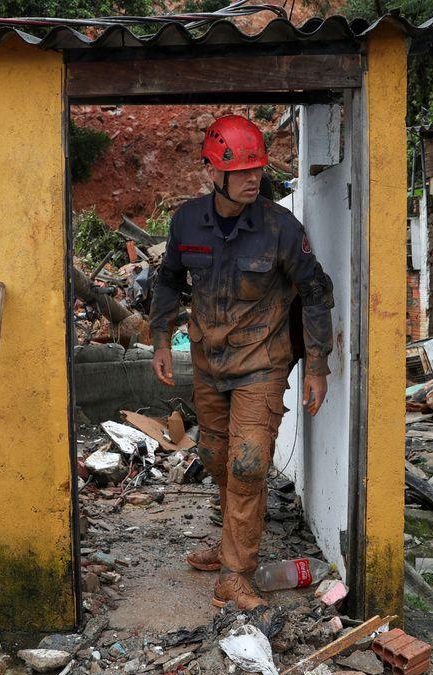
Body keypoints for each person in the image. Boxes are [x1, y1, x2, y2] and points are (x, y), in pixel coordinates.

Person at [149, 114, 335, 610]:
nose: (254, 177)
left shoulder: (280, 227)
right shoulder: (187, 221)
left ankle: (237, 570)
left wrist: (317, 364)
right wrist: (161, 340)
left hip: (262, 364)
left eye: (258, 168)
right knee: (214, 457)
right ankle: (234, 537)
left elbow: (316, 291)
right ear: (215, 172)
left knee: (248, 462)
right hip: (209, 365)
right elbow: (168, 280)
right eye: (242, 169)